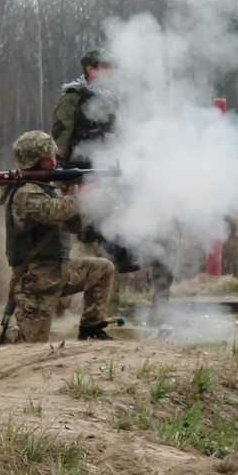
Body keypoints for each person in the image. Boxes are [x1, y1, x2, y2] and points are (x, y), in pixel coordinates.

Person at [0, 131, 115, 348]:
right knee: (30, 342)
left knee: (103, 270)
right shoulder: (25, 193)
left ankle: (91, 329)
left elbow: (75, 226)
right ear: (35, 160)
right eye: (49, 158)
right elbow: (51, 212)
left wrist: (73, 195)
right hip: (35, 281)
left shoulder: (47, 190)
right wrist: (77, 197)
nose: (55, 162)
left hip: (60, 271)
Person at [50, 47, 175, 318]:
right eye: (106, 66)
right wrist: (68, 186)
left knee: (164, 242)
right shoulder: (72, 100)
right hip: (83, 191)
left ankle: (160, 315)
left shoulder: (113, 101)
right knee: (101, 252)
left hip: (116, 190)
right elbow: (57, 151)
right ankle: (98, 320)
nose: (113, 72)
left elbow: (126, 144)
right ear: (90, 70)